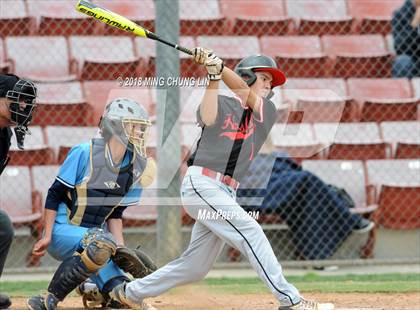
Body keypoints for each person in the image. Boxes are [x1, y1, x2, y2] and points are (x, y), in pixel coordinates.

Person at [109, 50, 335, 310]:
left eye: (271, 83)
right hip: (202, 184)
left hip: (225, 192)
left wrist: (219, 66)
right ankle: (290, 300)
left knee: (195, 267)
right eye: (264, 79)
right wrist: (213, 77)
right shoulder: (223, 104)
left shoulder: (266, 111)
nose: (269, 86)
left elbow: (242, 91)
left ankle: (128, 292)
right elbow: (207, 117)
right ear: (248, 77)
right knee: (251, 231)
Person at [26, 98, 157, 310]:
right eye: (134, 126)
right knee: (101, 242)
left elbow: (116, 213)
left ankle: (90, 287)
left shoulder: (138, 166)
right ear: (115, 126)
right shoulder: (84, 152)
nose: (140, 132)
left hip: (98, 240)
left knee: (121, 295)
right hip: (63, 231)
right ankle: (47, 299)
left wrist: (120, 249)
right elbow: (54, 194)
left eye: (142, 127)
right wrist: (48, 235)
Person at [237, 146, 375, 261]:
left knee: (305, 194)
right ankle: (349, 221)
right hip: (255, 190)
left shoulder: (267, 145)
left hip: (281, 186)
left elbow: (280, 162)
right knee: (305, 180)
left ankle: (317, 257)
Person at [0, 74, 38, 309]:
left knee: (2, 225)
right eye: (16, 100)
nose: (23, 107)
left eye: (26, 102)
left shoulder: (4, 135)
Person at [392, 0, 420, 78]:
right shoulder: (400, 14)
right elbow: (400, 47)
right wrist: (415, 23)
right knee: (402, 62)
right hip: (415, 60)